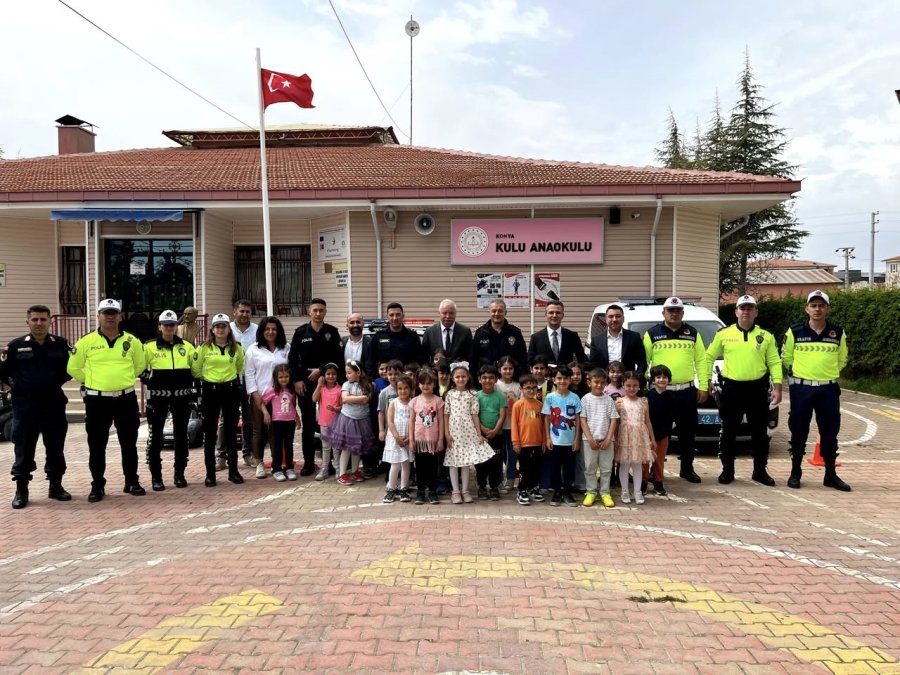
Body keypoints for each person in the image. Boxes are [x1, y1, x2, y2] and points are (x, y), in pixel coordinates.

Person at [68, 298, 147, 503]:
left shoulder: (132, 341)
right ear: (99, 316)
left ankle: (132, 481)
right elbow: (73, 368)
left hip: (125, 398)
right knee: (96, 445)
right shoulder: (86, 342)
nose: (110, 316)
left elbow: (139, 365)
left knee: (128, 443)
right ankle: (97, 485)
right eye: (106, 313)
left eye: (113, 313)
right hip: (97, 401)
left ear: (120, 316)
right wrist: (93, 381)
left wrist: (122, 380)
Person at [705, 295, 783, 486]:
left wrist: (778, 386)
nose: (746, 311)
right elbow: (708, 357)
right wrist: (707, 380)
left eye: (750, 308)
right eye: (742, 308)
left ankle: (760, 471)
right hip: (732, 389)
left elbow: (774, 361)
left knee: (759, 434)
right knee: (729, 432)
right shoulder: (724, 334)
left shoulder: (766, 336)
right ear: (736, 311)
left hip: (757, 389)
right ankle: (727, 471)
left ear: (756, 312)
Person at [2, 304, 72, 509]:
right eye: (35, 319)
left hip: (53, 403)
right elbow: (4, 372)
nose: (39, 323)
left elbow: (70, 369)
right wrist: (18, 387)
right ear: (28, 322)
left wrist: (53, 382)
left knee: (55, 446)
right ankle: (21, 490)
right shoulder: (15, 346)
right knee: (23, 447)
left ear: (50, 321)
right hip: (26, 405)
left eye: (43, 319)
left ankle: (56, 486)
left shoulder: (60, 344)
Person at [782, 290, 851, 492]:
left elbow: (842, 359)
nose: (817, 309)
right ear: (807, 309)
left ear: (827, 309)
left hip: (828, 389)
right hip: (802, 389)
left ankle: (830, 475)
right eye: (813, 305)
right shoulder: (794, 332)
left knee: (830, 434)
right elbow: (786, 358)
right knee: (799, 432)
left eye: (821, 305)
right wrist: (798, 380)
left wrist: (827, 375)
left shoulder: (838, 333)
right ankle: (795, 473)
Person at [642, 296, 708, 483]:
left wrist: (703, 386)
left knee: (688, 433)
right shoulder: (652, 334)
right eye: (670, 311)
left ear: (682, 313)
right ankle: (655, 472)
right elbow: (645, 362)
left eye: (677, 310)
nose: (674, 313)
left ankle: (687, 469)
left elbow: (701, 361)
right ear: (663, 313)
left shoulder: (692, 333)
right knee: (658, 434)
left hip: (686, 391)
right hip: (662, 393)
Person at [288, 298, 344, 476]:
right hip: (305, 384)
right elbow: (293, 359)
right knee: (309, 424)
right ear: (309, 312)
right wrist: (297, 380)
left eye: (321, 310)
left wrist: (321, 370)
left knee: (330, 423)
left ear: (325, 312)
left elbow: (338, 359)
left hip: (329, 384)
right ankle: (309, 463)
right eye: (315, 310)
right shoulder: (300, 333)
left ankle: (332, 463)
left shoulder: (332, 333)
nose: (318, 313)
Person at [142, 309, 196, 491]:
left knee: (181, 436)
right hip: (158, 398)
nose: (169, 327)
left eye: (172, 324)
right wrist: (150, 379)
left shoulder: (187, 346)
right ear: (159, 326)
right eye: (165, 324)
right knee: (155, 437)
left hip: (182, 398)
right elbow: (138, 368)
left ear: (176, 326)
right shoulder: (149, 346)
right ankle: (156, 477)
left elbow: (195, 370)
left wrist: (193, 391)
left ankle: (179, 474)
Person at [191, 313, 245, 487]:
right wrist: (210, 379)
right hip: (210, 391)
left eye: (224, 326)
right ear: (212, 330)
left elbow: (239, 367)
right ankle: (210, 474)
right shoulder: (204, 348)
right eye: (217, 326)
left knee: (230, 432)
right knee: (210, 433)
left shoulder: (236, 348)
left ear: (229, 329)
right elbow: (196, 370)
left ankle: (233, 471)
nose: (220, 329)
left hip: (230, 391)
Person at [244, 316, 290, 479]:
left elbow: (289, 373)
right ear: (262, 331)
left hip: (281, 399)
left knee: (276, 432)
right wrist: (255, 395)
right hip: (260, 396)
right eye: (267, 329)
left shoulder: (286, 348)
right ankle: (259, 463)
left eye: (274, 329)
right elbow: (249, 375)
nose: (270, 332)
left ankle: (277, 464)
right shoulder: (253, 350)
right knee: (259, 430)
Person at [443, 362, 494, 504]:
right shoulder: (449, 395)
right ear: (452, 378)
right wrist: (446, 433)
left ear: (468, 377)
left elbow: (474, 415)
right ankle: (455, 492)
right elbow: (446, 414)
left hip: (468, 433)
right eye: (457, 377)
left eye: (463, 376)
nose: (460, 379)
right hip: (454, 433)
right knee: (453, 463)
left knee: (465, 463)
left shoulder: (472, 394)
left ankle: (465, 491)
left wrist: (479, 434)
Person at [542, 364, 582, 507]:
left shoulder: (575, 398)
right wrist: (547, 438)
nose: (562, 381)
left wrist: (577, 439)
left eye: (565, 378)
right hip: (554, 440)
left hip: (570, 441)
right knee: (554, 467)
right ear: (554, 379)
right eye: (559, 378)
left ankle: (567, 491)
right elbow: (546, 418)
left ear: (570, 380)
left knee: (569, 468)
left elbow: (578, 419)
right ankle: (557, 491)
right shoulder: (550, 398)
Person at [330, 360, 376, 485]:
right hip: (349, 419)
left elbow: (368, 399)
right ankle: (342, 474)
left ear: (358, 373)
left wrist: (355, 399)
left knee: (357, 447)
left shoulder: (367, 385)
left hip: (362, 419)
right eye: (346, 373)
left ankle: (355, 471)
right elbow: (345, 399)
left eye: (349, 373)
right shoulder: (346, 385)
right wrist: (361, 398)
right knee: (347, 448)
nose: (347, 375)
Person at [614, 371, 657, 505]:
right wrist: (615, 439)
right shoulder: (619, 402)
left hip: (640, 437)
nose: (631, 388)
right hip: (625, 437)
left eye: (635, 385)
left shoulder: (643, 402)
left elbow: (648, 421)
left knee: (638, 464)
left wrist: (652, 439)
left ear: (639, 386)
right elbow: (616, 422)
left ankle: (638, 491)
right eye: (628, 385)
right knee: (625, 464)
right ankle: (625, 490)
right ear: (623, 385)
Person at [579, 368, 619, 508]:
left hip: (606, 441)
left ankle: (605, 492)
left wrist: (609, 438)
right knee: (590, 467)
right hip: (589, 440)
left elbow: (614, 419)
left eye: (602, 383)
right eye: (596, 382)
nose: (599, 385)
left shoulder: (608, 400)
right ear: (589, 382)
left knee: (606, 468)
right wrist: (589, 438)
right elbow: (582, 420)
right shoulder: (585, 399)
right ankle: (591, 492)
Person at [408, 367, 445, 504]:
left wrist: (441, 439)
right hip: (419, 441)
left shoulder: (438, 401)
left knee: (433, 467)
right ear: (418, 384)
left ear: (434, 384)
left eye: (429, 383)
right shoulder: (415, 401)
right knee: (420, 467)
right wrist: (411, 440)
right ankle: (421, 491)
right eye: (423, 383)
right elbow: (411, 421)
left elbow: (441, 421)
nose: (425, 386)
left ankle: (433, 491)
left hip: (433, 441)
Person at [229, 299, 258, 467]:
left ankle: (249, 454)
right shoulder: (226, 329)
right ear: (235, 312)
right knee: (227, 419)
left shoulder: (257, 330)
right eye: (241, 311)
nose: (244, 314)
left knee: (249, 419)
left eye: (247, 311)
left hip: (250, 379)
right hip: (230, 378)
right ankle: (222, 455)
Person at [510, 373, 546, 505]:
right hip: (524, 443)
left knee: (536, 467)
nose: (531, 390)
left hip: (537, 442)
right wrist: (516, 442)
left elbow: (543, 425)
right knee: (524, 468)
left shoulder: (540, 405)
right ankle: (522, 490)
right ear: (521, 389)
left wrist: (544, 441)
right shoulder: (518, 405)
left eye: (534, 387)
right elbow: (514, 425)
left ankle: (533, 488)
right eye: (528, 388)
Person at [261, 364, 300, 481]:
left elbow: (293, 404)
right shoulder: (273, 390)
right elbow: (262, 402)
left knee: (289, 445)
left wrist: (297, 417)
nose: (284, 379)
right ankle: (277, 469)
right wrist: (266, 413)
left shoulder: (292, 390)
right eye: (281, 377)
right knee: (277, 445)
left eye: (286, 377)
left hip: (290, 422)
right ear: (276, 378)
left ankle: (289, 468)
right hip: (277, 422)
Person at [475, 364, 508, 501]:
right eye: (484, 378)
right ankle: (482, 487)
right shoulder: (476, 396)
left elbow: (502, 415)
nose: (487, 380)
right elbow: (474, 414)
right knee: (481, 462)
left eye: (491, 378)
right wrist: (482, 429)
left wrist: (495, 430)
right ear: (479, 379)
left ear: (495, 380)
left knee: (496, 462)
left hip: (496, 435)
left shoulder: (500, 396)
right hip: (481, 436)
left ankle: (494, 487)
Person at [588, 304, 647, 377]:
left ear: (623, 319)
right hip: (605, 384)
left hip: (627, 384)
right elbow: (593, 365)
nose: (614, 319)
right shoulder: (596, 340)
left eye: (618, 316)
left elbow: (642, 362)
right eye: (611, 316)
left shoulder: (634, 337)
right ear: (606, 319)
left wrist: (636, 378)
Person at [470, 299, 528, 373]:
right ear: (489, 312)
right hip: (488, 379)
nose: (497, 314)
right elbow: (473, 360)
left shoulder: (515, 332)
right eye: (494, 311)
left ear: (505, 312)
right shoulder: (480, 333)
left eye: (500, 311)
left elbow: (523, 358)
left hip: (510, 379)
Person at [383, 375, 414, 503]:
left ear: (411, 389)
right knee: (395, 465)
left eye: (406, 388)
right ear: (396, 390)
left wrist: (409, 438)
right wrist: (396, 437)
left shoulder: (413, 403)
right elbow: (389, 422)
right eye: (400, 388)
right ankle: (391, 489)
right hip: (395, 438)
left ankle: (403, 489)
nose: (403, 391)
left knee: (406, 465)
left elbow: (413, 422)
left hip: (407, 438)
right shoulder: (393, 403)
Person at [528, 301, 586, 368]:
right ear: (545, 315)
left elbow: (582, 359)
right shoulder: (536, 338)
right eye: (551, 312)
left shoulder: (572, 336)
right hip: (545, 377)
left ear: (562, 315)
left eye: (558, 313)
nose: (554, 315)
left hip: (566, 377)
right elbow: (530, 361)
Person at [646, 365, 675, 497]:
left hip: (663, 434)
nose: (661, 380)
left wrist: (667, 432)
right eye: (658, 377)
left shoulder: (671, 397)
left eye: (664, 377)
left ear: (669, 380)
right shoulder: (647, 396)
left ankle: (658, 482)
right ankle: (643, 482)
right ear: (653, 379)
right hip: (647, 434)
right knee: (644, 460)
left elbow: (672, 417)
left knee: (659, 459)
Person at [495, 356, 522, 493]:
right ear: (499, 370)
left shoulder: (517, 386)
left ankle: (511, 479)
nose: (507, 371)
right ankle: (500, 479)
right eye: (505, 368)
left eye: (510, 368)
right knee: (501, 454)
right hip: (498, 426)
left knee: (512, 454)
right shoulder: (495, 385)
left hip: (513, 426)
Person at [372, 302, 427, 367]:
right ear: (387, 317)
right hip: (384, 376)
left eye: (398, 314)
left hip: (406, 376)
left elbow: (420, 361)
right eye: (391, 315)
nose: (395, 318)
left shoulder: (412, 336)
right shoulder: (379, 336)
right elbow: (371, 361)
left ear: (403, 316)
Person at [312, 363, 342, 481]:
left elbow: (342, 406)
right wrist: (319, 384)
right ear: (324, 375)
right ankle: (324, 469)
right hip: (324, 422)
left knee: (336, 447)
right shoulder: (322, 389)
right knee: (325, 447)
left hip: (336, 423)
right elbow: (314, 398)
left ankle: (339, 470)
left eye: (333, 374)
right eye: (328, 374)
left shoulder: (340, 389)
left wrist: (335, 409)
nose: (330, 376)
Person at [342, 312, 375, 377]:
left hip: (364, 383)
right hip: (344, 383)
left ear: (363, 324)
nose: (355, 325)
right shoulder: (341, 342)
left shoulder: (371, 343)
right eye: (352, 322)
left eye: (358, 322)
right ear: (347, 325)